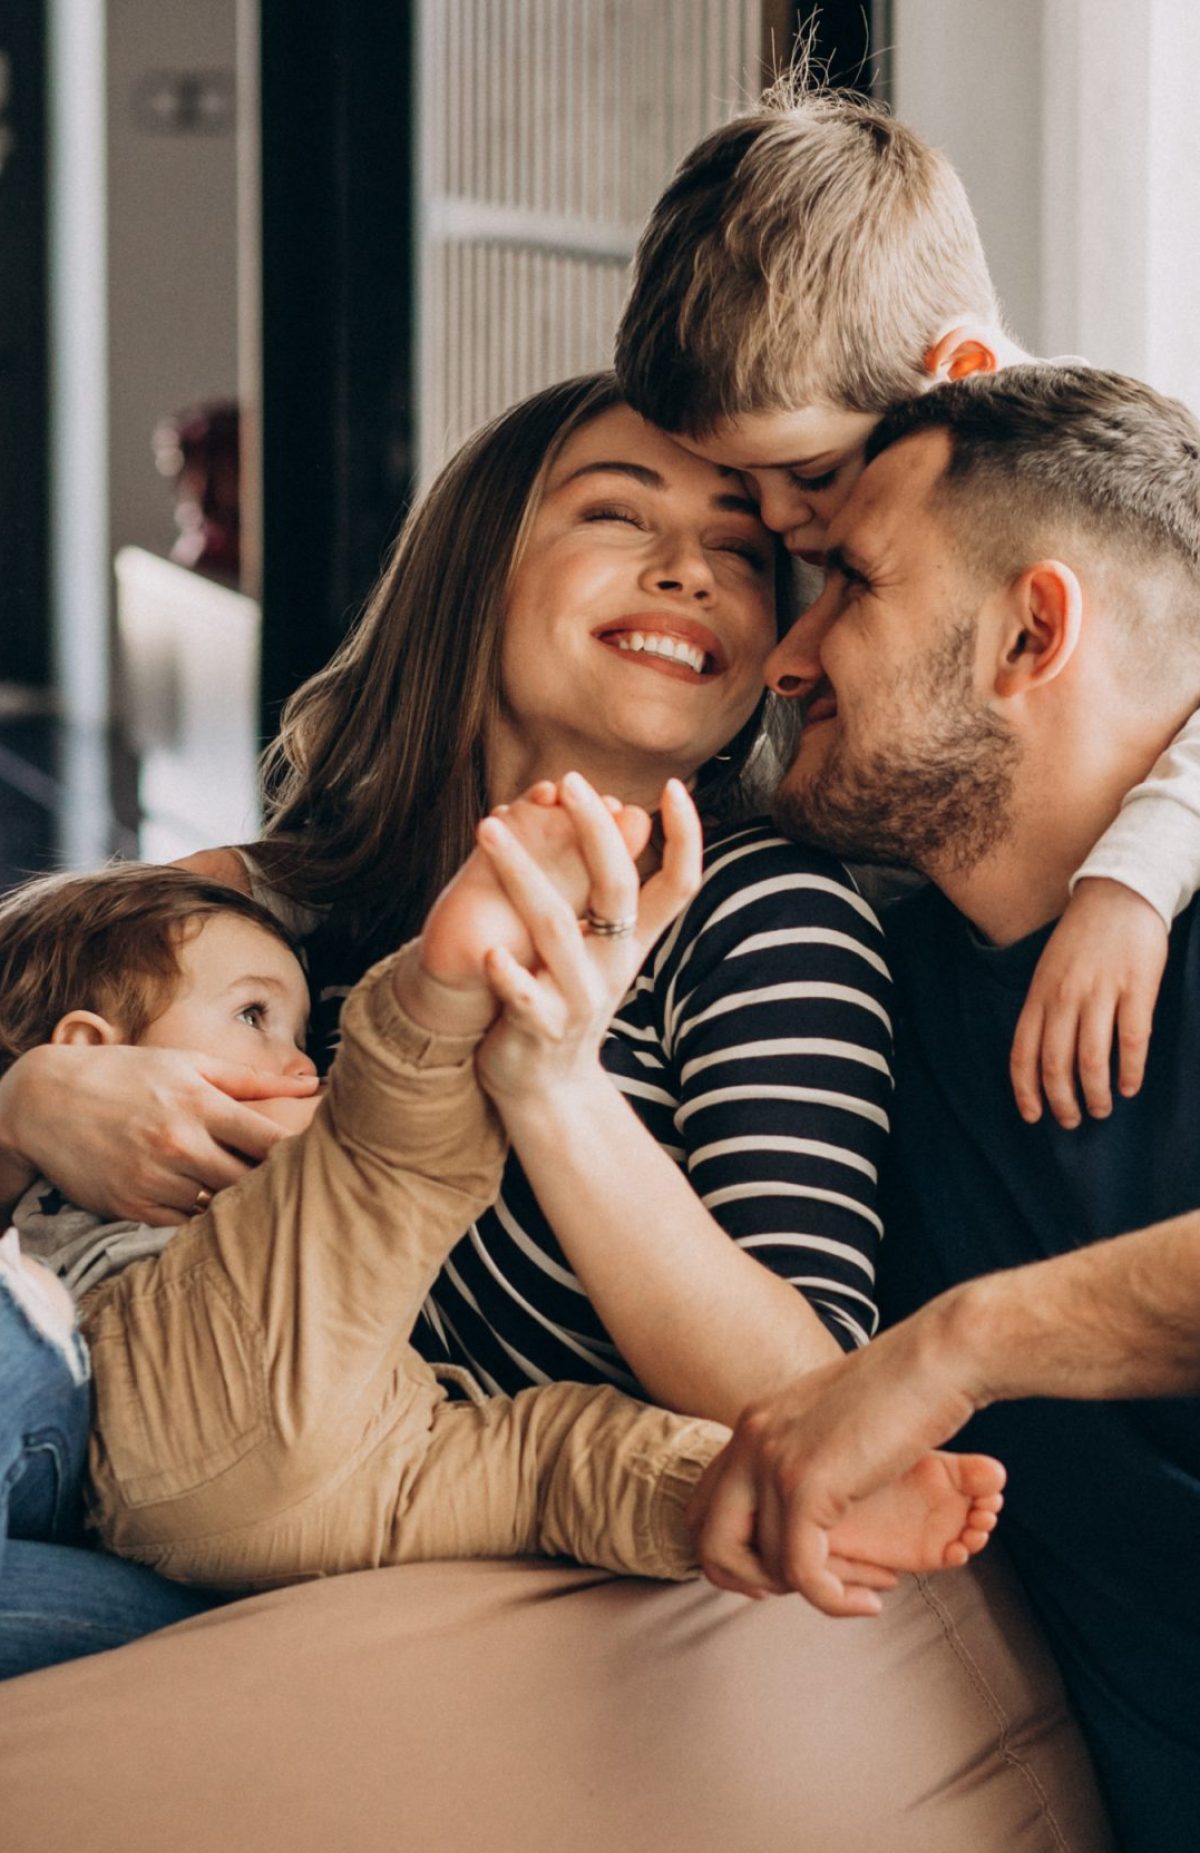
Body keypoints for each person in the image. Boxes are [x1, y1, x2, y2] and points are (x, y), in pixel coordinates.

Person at [0, 374, 904, 1666]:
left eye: (739, 551)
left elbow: (810, 1402)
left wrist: (557, 1087)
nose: (688, 571)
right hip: (114, 1491)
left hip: (358, 1587)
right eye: (618, 515)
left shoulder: (764, 915)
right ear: (480, 565)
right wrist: (26, 1111)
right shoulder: (290, 898)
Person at [687, 365, 1200, 1853]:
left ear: (1033, 633)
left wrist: (957, 1345)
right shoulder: (863, 1003)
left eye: (847, 579)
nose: (784, 655)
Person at [614, 79, 1200, 1123]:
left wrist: (1134, 880)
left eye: (806, 472)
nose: (784, 523)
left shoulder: (1107, 491)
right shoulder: (809, 485)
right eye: (745, 487)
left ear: (959, 371)